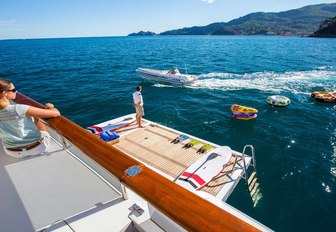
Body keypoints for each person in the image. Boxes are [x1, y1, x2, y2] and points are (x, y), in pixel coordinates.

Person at [0, 78, 60, 158]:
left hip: (12, 152)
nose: (16, 92)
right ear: (5, 93)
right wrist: (50, 107)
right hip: (37, 148)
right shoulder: (18, 108)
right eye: (13, 90)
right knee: (37, 116)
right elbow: (56, 113)